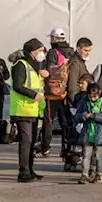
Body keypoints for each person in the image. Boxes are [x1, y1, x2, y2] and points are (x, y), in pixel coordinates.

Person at [11, 38, 48, 182]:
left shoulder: (34, 66)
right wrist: (34, 95)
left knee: (32, 141)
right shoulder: (20, 65)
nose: (42, 54)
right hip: (23, 109)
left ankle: (30, 169)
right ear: (32, 51)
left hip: (33, 109)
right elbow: (17, 86)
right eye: (40, 51)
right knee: (26, 141)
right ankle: (23, 171)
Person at [37, 29, 73, 158]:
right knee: (65, 121)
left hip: (53, 93)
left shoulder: (53, 52)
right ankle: (66, 148)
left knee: (49, 121)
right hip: (66, 92)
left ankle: (45, 147)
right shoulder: (71, 51)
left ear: (54, 38)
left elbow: (49, 71)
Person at [73, 76, 102, 184]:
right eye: (90, 96)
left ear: (99, 93)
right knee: (86, 155)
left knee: (98, 156)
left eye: (95, 96)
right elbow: (76, 116)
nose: (92, 99)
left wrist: (95, 116)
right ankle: (84, 175)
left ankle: (99, 174)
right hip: (88, 133)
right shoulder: (83, 102)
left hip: (100, 135)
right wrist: (83, 116)